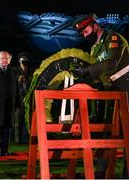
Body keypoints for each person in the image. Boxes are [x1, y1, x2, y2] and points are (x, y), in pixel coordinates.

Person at [72, 14, 129, 177]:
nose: (85, 35)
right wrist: (82, 72)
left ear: (95, 26)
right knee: (107, 131)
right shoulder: (94, 48)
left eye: (86, 30)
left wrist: (88, 70)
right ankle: (100, 173)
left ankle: (127, 173)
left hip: (126, 86)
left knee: (127, 130)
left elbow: (112, 63)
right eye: (83, 33)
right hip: (110, 91)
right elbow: (96, 70)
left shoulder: (113, 38)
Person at [14, 52, 31, 144]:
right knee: (18, 120)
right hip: (18, 98)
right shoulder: (15, 70)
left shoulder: (29, 71)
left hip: (27, 98)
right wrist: (18, 78)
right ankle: (17, 140)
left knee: (26, 120)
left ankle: (25, 139)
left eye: (25, 59)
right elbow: (12, 80)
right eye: (22, 59)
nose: (24, 60)